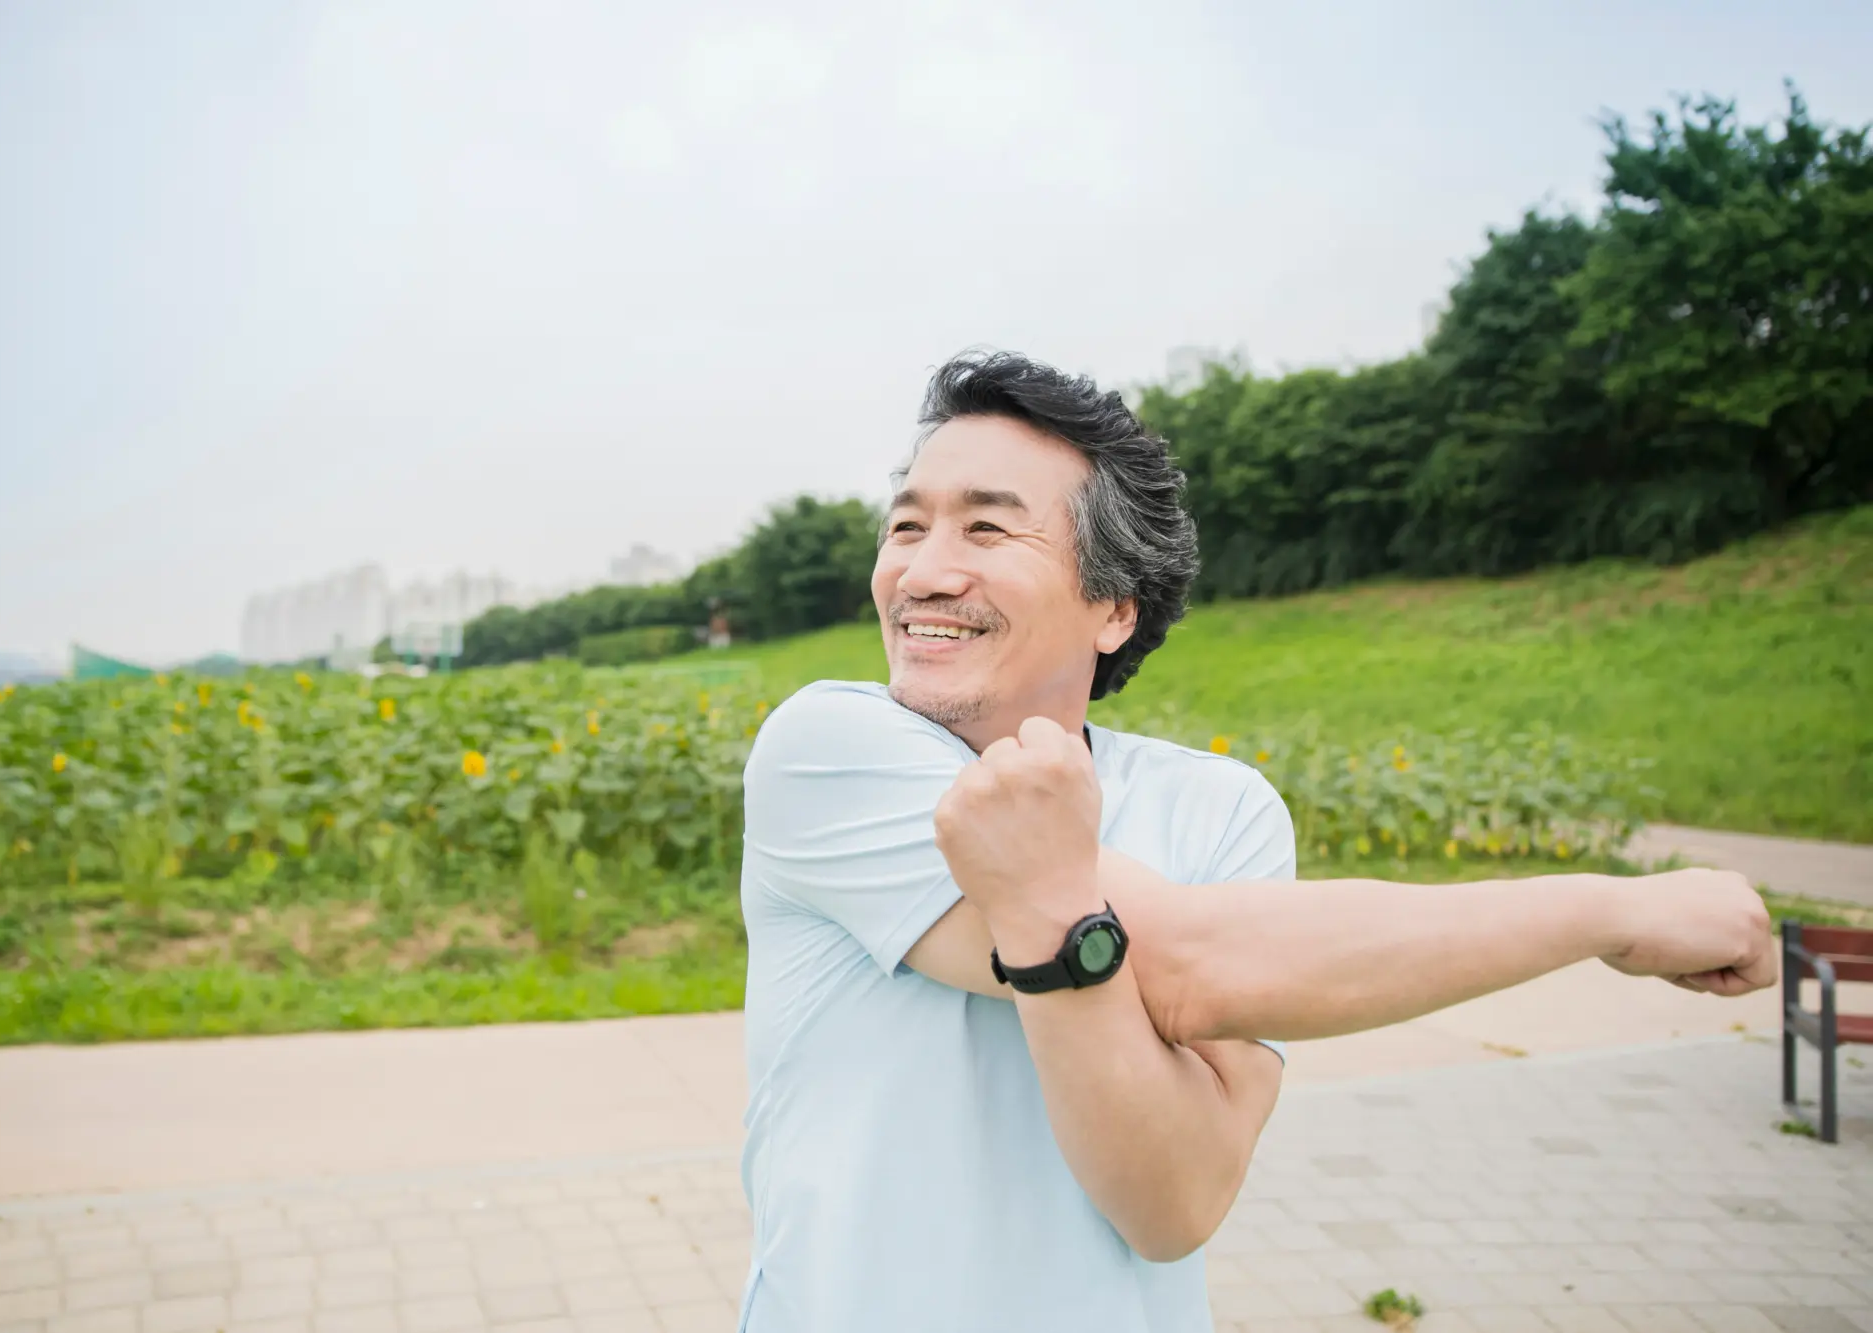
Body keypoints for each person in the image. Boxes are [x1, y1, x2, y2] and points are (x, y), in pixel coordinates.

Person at [734, 350, 1773, 1333]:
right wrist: (1616, 910)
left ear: (1110, 608)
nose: (920, 570)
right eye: (906, 526)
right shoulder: (829, 748)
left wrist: (1052, 908)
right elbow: (1195, 962)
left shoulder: (1218, 808)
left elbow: (1172, 1204)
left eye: (985, 531)